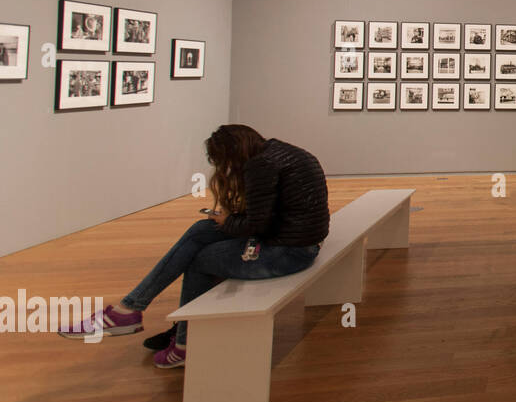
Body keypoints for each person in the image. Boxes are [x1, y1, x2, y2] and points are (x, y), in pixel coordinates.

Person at [58, 125, 329, 366]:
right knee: (202, 230)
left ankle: (184, 340)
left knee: (200, 260)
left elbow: (256, 226)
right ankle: (133, 309)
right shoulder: (281, 151)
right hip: (296, 241)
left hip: (290, 252)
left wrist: (226, 221)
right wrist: (225, 221)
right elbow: (269, 217)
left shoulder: (260, 165)